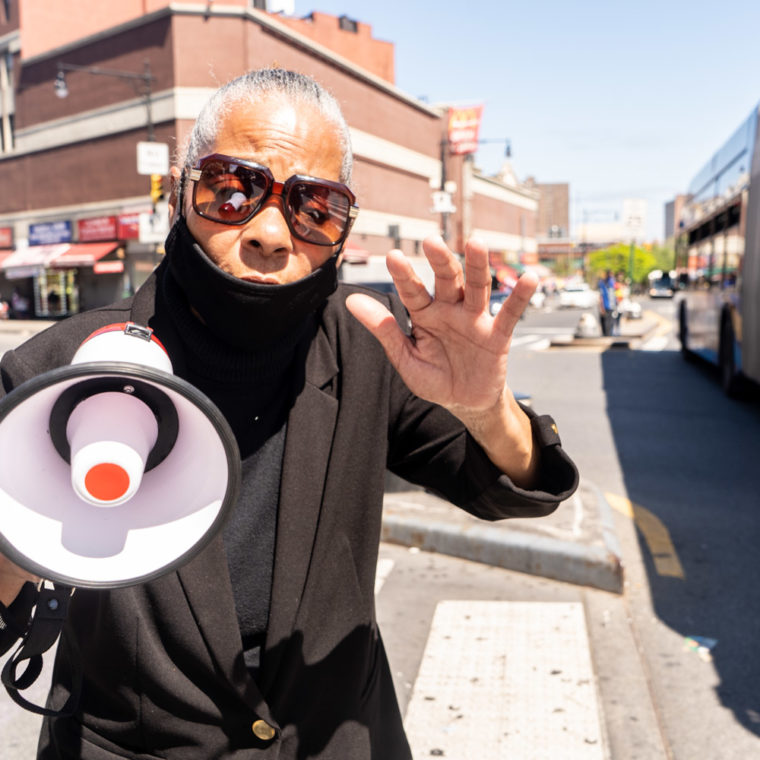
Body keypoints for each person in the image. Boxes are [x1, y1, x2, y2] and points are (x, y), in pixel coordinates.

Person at [0, 69, 578, 759]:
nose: (272, 231)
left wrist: (486, 410)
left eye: (315, 206)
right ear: (182, 193)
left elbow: (512, 489)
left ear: (343, 230)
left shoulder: (377, 346)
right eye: (231, 188)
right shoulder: (55, 373)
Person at [597, 269, 617, 336]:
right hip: (607, 305)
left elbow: (613, 294)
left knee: (609, 321)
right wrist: (602, 306)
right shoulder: (606, 283)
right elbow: (602, 296)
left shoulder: (607, 282)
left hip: (609, 305)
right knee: (608, 321)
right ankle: (607, 334)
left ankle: (607, 334)